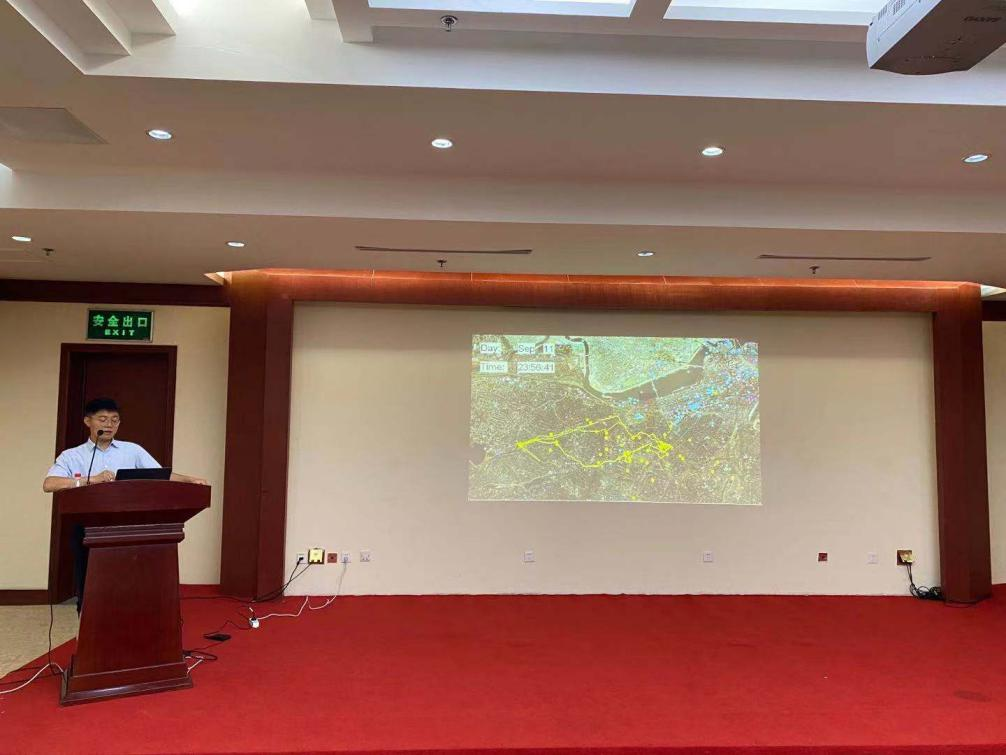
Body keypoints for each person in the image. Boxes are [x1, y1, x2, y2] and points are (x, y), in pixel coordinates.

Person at [42, 397, 208, 611]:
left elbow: (160, 475)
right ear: (88, 421)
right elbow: (49, 484)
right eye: (102, 419)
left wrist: (189, 480)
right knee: (89, 583)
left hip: (130, 527)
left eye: (114, 420)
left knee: (131, 583)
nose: (109, 425)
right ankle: (88, 622)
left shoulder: (132, 451)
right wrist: (90, 480)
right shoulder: (72, 455)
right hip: (88, 527)